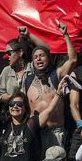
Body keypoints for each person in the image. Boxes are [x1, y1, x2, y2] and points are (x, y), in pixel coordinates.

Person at [0, 79, 67, 161]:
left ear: (25, 108)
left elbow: (49, 110)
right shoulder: (3, 124)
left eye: (19, 104)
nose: (15, 106)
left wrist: (58, 93)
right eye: (12, 103)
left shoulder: (31, 124)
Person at [23, 22, 77, 152]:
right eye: (35, 57)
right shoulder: (28, 79)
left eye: (42, 55)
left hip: (55, 133)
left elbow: (73, 60)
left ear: (49, 58)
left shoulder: (56, 75)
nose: (38, 59)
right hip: (35, 133)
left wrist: (65, 35)